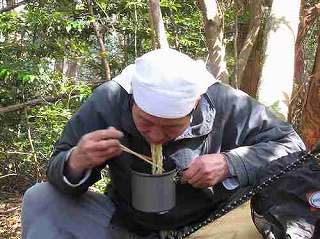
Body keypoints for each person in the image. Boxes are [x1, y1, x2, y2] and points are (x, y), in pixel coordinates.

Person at [22, 48, 305, 239]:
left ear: (194, 105)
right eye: (145, 123)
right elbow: (58, 164)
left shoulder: (226, 103)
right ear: (132, 100)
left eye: (170, 127)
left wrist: (231, 163)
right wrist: (76, 162)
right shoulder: (109, 101)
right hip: (125, 222)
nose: (155, 136)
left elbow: (292, 146)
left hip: (210, 225)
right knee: (40, 199)